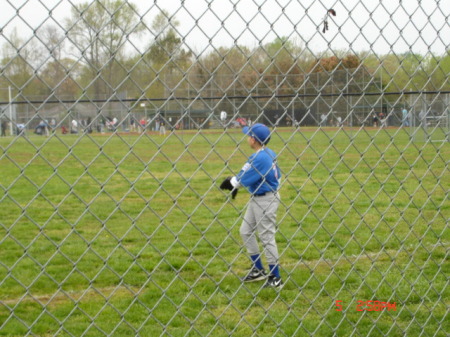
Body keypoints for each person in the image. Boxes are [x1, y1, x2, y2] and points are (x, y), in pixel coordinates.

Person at [220, 123, 283, 288]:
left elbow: (244, 177)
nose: (247, 138)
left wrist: (233, 183)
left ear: (254, 140)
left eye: (249, 136)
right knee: (245, 231)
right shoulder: (266, 153)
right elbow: (246, 172)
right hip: (258, 197)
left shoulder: (261, 157)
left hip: (266, 199)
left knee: (266, 236)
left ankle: (276, 278)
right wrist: (235, 181)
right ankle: (258, 269)